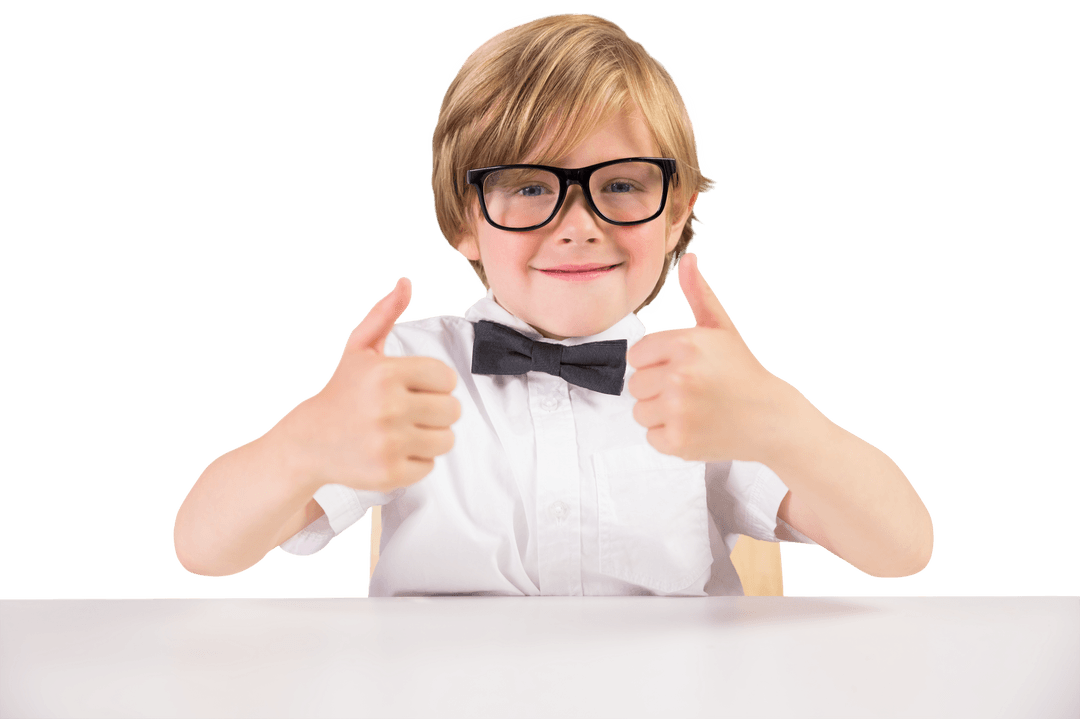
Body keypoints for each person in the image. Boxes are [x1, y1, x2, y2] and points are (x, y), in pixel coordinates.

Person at [172, 13, 934, 595]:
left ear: (672, 217)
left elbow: (902, 549)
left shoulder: (701, 386)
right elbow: (203, 549)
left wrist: (781, 419)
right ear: (464, 221)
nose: (578, 224)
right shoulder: (410, 373)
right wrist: (303, 441)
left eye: (623, 183)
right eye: (531, 186)